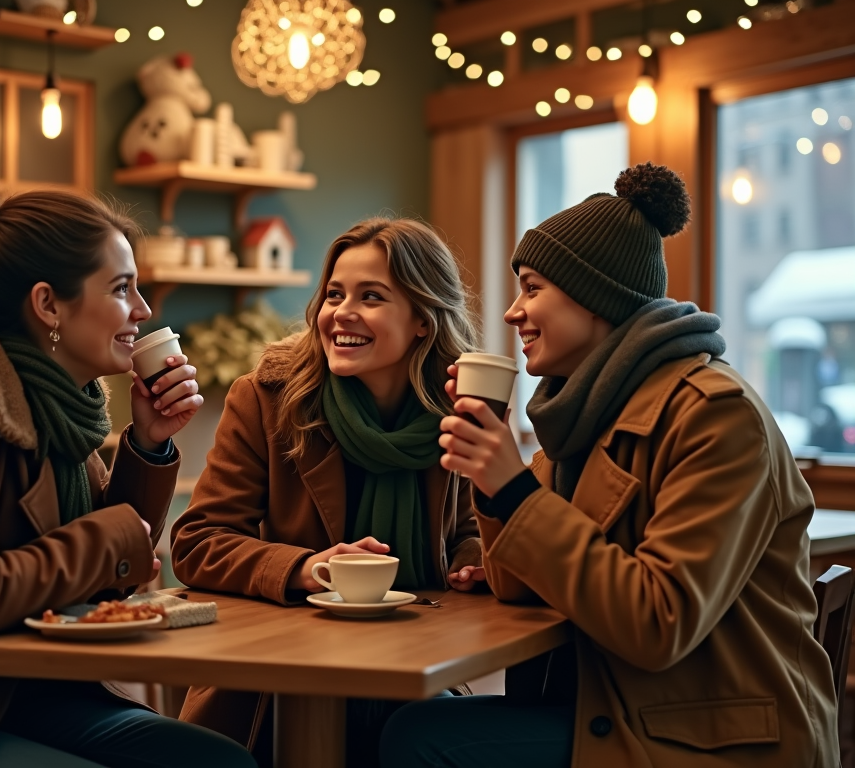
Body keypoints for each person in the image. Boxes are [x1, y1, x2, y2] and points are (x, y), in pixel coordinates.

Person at [380, 164, 838, 767]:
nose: (513, 313)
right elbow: (520, 583)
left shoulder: (715, 416)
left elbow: (657, 624)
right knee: (409, 720)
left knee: (419, 737)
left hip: (711, 737)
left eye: (533, 287)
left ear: (597, 296)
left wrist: (514, 490)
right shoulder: (588, 413)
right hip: (621, 706)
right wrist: (491, 484)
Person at [0, 182, 256, 768]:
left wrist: (149, 444)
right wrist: (117, 537)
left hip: (26, 691)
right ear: (49, 305)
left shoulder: (54, 403)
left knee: (221, 762)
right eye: (121, 289)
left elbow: (105, 579)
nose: (144, 311)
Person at [170, 218, 484, 766]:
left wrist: (471, 560)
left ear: (422, 322)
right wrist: (310, 567)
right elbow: (198, 542)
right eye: (334, 294)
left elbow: (467, 531)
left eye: (372, 297)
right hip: (272, 696)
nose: (341, 313)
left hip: (413, 678)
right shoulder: (267, 398)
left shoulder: (457, 411)